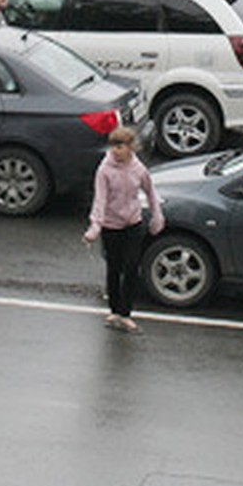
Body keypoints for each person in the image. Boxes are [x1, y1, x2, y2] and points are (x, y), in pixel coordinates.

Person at [83, 126, 164, 333]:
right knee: (114, 268)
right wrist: (95, 226)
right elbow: (100, 200)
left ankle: (126, 313)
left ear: (130, 147)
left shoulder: (139, 169)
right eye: (113, 147)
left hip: (133, 224)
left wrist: (157, 216)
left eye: (120, 147)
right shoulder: (104, 170)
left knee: (131, 267)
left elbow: (150, 192)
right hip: (111, 225)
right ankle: (114, 311)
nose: (115, 151)